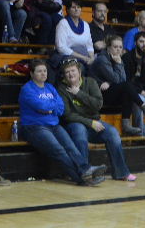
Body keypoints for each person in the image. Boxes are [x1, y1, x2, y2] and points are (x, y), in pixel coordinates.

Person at [19, 58, 106, 186]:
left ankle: (85, 170)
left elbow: (60, 108)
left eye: (45, 71)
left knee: (70, 146)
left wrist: (49, 109)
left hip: (54, 125)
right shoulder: (27, 89)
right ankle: (82, 178)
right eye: (39, 71)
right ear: (32, 74)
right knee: (59, 150)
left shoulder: (50, 87)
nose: (43, 73)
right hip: (35, 127)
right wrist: (49, 107)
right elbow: (41, 106)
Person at [57, 58, 136, 181]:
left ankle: (121, 173)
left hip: (94, 124)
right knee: (79, 130)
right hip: (75, 125)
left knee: (113, 133)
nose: (70, 74)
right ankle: (84, 173)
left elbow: (98, 105)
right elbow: (68, 115)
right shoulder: (61, 89)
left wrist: (79, 93)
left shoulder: (90, 82)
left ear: (79, 71)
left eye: (73, 71)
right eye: (67, 72)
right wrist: (90, 122)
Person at [92, 35, 145, 136]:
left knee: (127, 89)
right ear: (108, 47)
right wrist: (118, 64)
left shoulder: (116, 58)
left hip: (111, 90)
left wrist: (110, 81)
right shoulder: (102, 59)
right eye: (115, 47)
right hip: (99, 94)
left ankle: (126, 124)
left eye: (120, 47)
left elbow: (122, 79)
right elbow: (117, 80)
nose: (118, 49)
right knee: (127, 86)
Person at [54, 0, 95, 73]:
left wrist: (92, 58)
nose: (76, 9)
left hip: (85, 57)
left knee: (97, 66)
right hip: (68, 58)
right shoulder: (63, 23)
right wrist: (83, 57)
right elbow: (61, 47)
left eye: (78, 7)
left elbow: (89, 46)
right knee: (80, 68)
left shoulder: (85, 25)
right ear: (68, 10)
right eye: (73, 7)